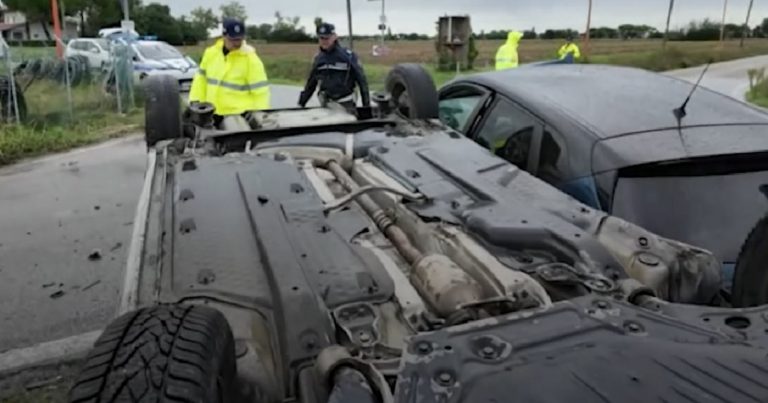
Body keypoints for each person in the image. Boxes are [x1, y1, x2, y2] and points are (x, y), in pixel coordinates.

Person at [189, 18, 270, 122]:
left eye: (239, 39)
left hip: (238, 118)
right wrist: (195, 101)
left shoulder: (251, 59)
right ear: (224, 36)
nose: (237, 43)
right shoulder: (210, 54)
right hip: (211, 114)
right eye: (233, 39)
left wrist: (259, 116)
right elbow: (200, 80)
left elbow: (261, 92)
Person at [298, 22, 370, 111]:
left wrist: (366, 106)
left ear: (334, 36)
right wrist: (301, 104)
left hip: (346, 104)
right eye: (321, 38)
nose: (324, 41)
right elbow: (311, 84)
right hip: (326, 103)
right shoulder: (318, 59)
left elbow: (362, 82)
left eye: (327, 38)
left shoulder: (349, 57)